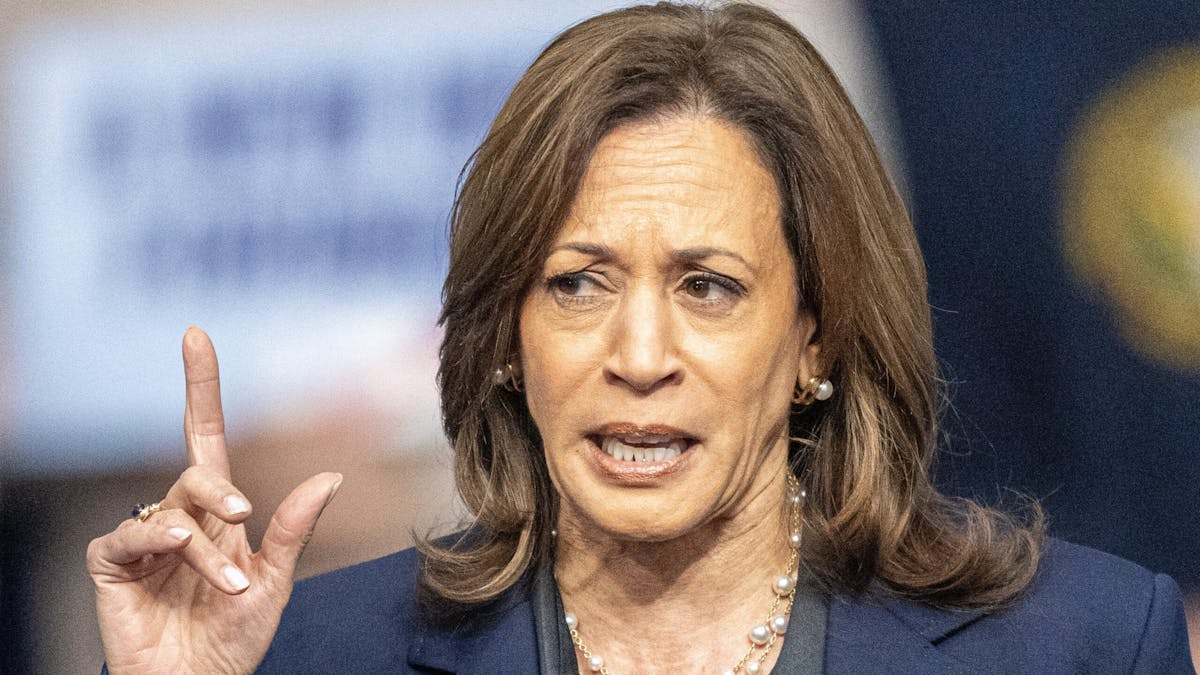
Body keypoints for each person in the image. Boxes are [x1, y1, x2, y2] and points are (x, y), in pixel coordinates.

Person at [87, 3, 1195, 673]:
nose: (641, 355)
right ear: (506, 336)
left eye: (709, 287)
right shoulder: (311, 653)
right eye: (578, 285)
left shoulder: (1083, 644)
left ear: (816, 340)